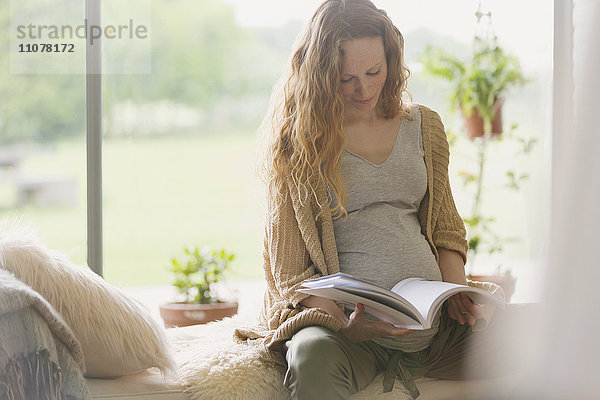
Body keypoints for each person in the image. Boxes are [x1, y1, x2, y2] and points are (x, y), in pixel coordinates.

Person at [234, 1, 530, 399]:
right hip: (352, 335)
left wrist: (458, 292)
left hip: (437, 328)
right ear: (319, 76)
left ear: (391, 58)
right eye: (346, 78)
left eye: (374, 71)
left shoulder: (424, 126)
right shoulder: (298, 144)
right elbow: (288, 270)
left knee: (551, 327)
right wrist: (341, 324)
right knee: (310, 354)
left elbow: (444, 227)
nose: (364, 88)